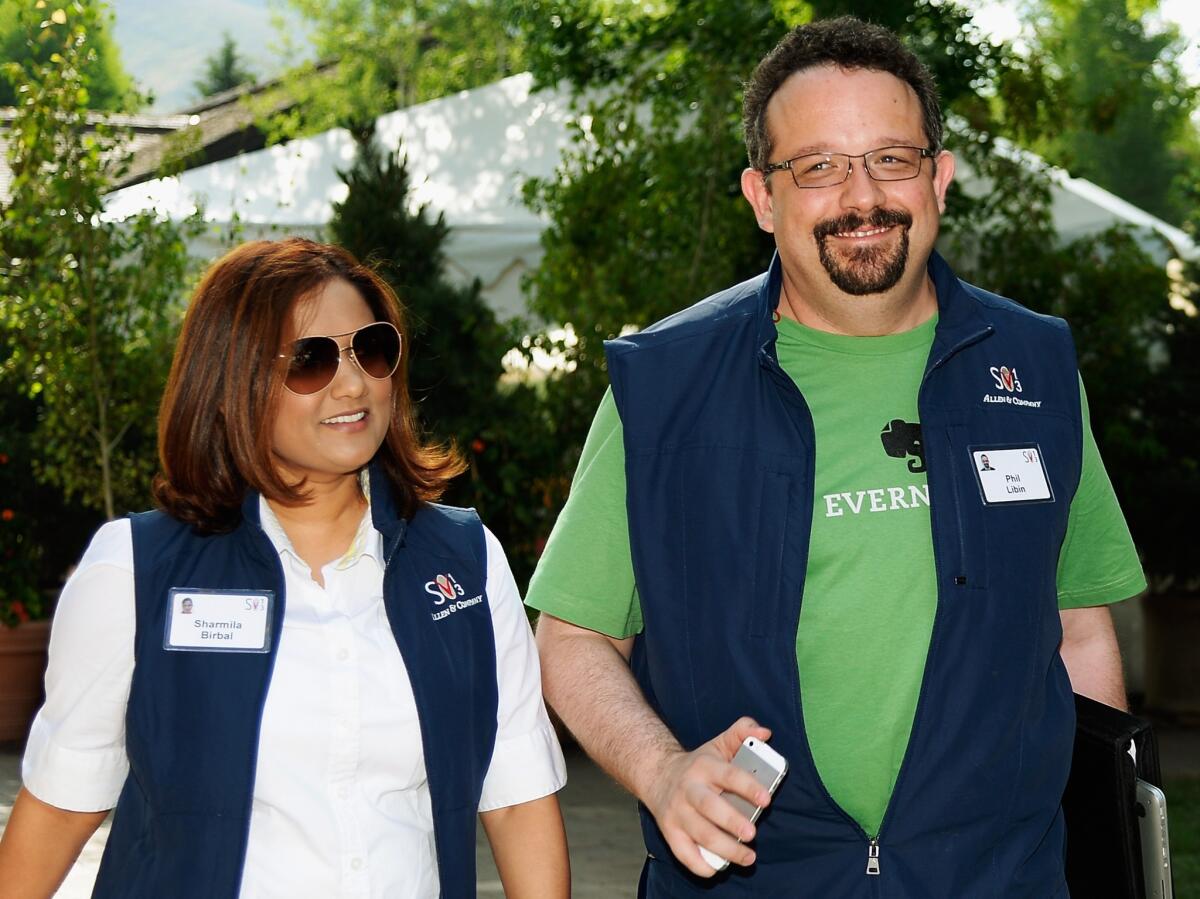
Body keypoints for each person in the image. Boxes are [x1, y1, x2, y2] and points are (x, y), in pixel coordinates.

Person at [527, 16, 1144, 898]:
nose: (862, 196)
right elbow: (574, 632)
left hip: (995, 879)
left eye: (891, 158)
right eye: (818, 166)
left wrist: (1099, 833)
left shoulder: (1037, 370)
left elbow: (1080, 629)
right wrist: (663, 773)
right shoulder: (663, 387)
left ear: (939, 177)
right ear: (761, 197)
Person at [0, 238, 569, 899]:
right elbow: (61, 806)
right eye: (311, 360)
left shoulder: (464, 563)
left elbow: (516, 800)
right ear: (234, 378)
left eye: (371, 348)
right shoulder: (135, 570)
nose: (353, 382)